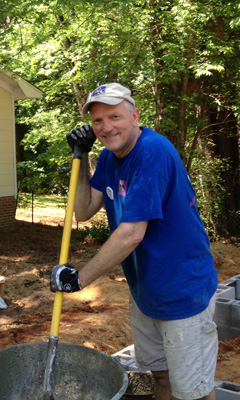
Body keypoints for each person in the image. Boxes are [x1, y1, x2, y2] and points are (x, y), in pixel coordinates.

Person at [50, 83, 218, 400]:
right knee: (159, 377)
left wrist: (79, 279)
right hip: (146, 292)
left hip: (183, 293)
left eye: (114, 116)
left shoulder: (152, 154)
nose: (106, 127)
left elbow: (131, 233)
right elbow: (84, 210)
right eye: (97, 121)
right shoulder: (110, 158)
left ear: (134, 115)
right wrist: (81, 156)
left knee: (193, 391)